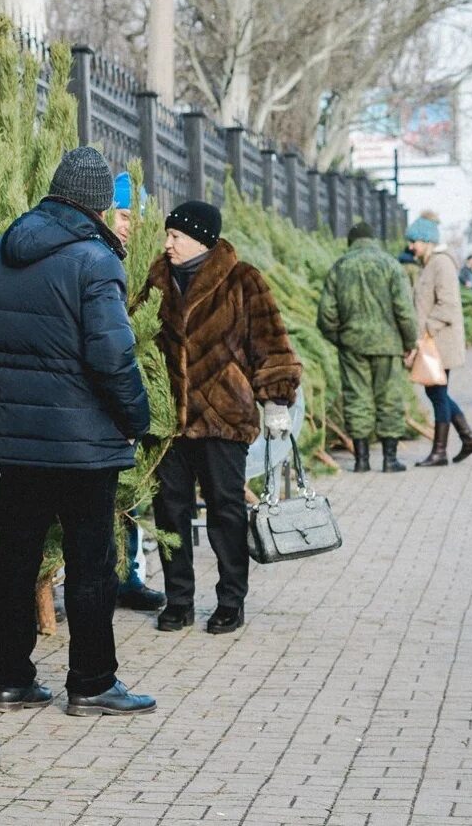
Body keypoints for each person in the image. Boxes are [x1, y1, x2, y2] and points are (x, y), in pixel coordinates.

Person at [0, 147, 157, 717]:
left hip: (18, 438)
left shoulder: (3, 249)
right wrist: (136, 420)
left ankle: (12, 678)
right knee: (91, 563)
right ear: (97, 205)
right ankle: (92, 682)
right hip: (84, 444)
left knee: (17, 557)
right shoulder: (95, 260)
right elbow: (112, 357)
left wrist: (17, 366)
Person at [134, 200, 302, 635]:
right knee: (170, 511)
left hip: (223, 415)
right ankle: (179, 600)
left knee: (226, 510)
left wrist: (276, 402)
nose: (167, 243)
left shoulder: (243, 280)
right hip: (168, 420)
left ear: (201, 239)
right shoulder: (156, 279)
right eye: (167, 235)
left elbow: (271, 342)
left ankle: (231, 600)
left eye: (176, 236)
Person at [109, 171, 167, 612]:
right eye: (124, 214)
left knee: (133, 495)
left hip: (142, 393)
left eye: (136, 218)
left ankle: (128, 575)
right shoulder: (97, 258)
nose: (129, 225)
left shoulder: (148, 266)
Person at [317, 221, 418, 473]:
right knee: (389, 398)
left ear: (351, 242)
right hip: (388, 344)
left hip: (353, 345)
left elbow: (326, 315)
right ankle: (389, 459)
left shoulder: (340, 267)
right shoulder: (391, 265)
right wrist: (409, 342)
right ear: (373, 240)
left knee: (356, 399)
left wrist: (339, 339)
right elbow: (404, 310)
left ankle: (361, 460)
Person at [402, 215, 472, 467]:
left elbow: (447, 306)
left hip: (439, 343)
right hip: (433, 342)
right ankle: (467, 439)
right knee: (438, 392)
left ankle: (440, 452)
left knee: (437, 394)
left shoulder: (441, 264)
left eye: (414, 241)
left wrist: (424, 331)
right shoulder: (430, 264)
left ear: (427, 241)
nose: (410, 246)